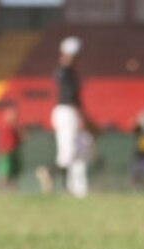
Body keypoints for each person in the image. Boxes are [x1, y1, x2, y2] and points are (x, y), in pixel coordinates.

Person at [41, 36, 90, 198]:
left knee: (69, 153)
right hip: (67, 112)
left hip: (64, 112)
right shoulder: (65, 71)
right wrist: (80, 116)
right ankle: (49, 171)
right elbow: (71, 97)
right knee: (68, 153)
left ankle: (66, 187)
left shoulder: (65, 71)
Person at [0, 103, 23, 191]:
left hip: (14, 151)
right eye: (11, 115)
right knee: (5, 171)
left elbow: (21, 139)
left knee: (14, 172)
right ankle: (1, 190)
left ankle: (12, 189)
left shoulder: (15, 128)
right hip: (6, 152)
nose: (13, 117)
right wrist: (0, 151)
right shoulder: (4, 127)